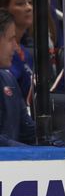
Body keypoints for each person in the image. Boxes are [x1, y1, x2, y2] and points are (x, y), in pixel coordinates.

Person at [0, 10, 34, 147]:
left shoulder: (9, 79)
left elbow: (28, 131)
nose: (15, 47)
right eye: (10, 39)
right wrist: (26, 152)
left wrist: (62, 148)